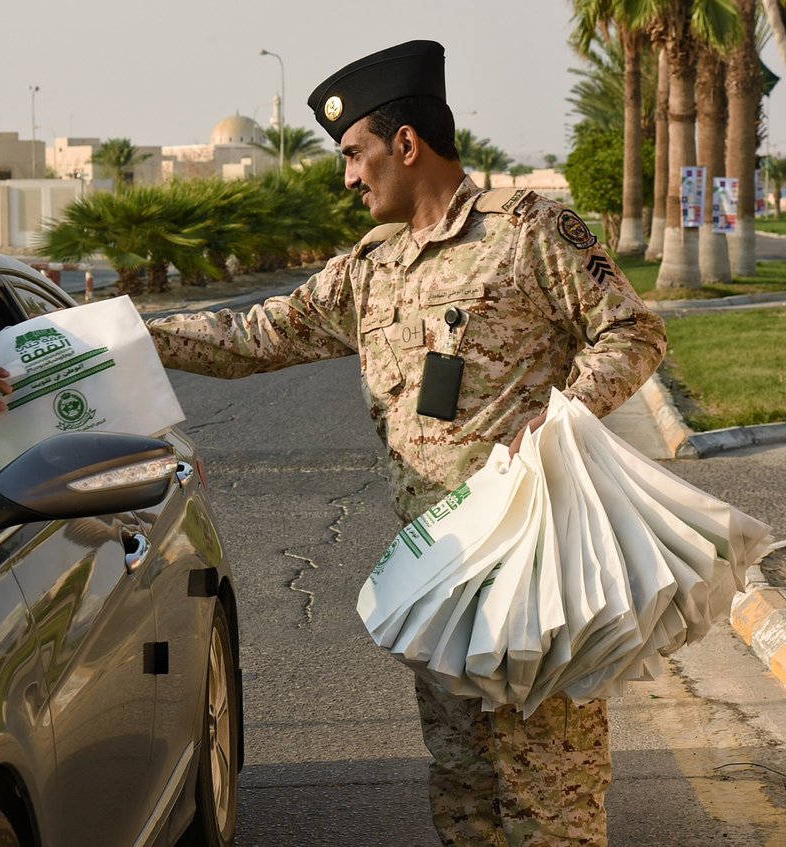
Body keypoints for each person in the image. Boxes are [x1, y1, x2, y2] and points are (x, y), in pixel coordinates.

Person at [137, 40, 666, 847]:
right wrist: (117, 338)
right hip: (438, 570)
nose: (347, 176)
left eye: (354, 154)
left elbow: (632, 330)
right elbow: (252, 335)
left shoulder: (526, 231)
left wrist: (564, 413)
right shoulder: (370, 269)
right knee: (463, 792)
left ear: (407, 145)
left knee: (549, 800)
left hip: (531, 567)